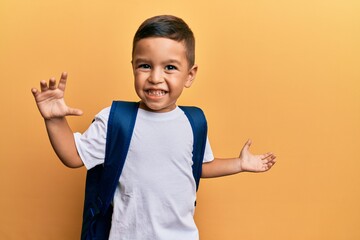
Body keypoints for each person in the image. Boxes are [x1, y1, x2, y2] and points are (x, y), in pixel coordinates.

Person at [31, 15, 276, 240]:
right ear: (133, 67)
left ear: (190, 75)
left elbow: (197, 167)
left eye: (170, 67)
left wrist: (239, 164)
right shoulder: (115, 120)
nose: (155, 77)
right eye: (145, 66)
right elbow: (74, 156)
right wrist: (54, 120)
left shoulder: (194, 122)